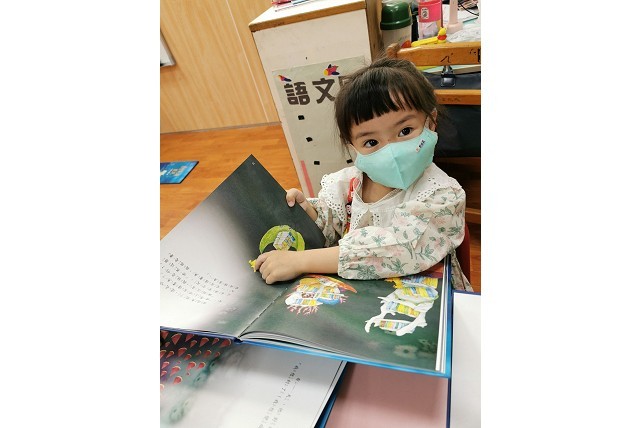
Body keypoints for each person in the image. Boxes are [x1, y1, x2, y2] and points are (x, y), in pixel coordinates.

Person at [254, 57, 472, 291]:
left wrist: (301, 261)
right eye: (371, 142)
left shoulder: (442, 194)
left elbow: (402, 249)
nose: (391, 151)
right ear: (352, 145)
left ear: (431, 121)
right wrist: (308, 211)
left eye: (405, 130)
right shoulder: (346, 184)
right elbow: (333, 228)